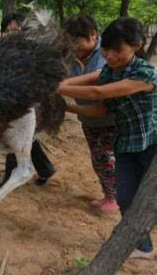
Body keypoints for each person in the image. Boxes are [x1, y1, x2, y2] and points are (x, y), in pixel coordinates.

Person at [58, 17, 157, 260]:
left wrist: (55, 89)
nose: (110, 56)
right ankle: (143, 248)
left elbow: (96, 92)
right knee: (125, 197)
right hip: (125, 145)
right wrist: (62, 100)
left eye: (117, 50)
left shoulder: (144, 74)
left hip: (151, 145)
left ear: (137, 44)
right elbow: (100, 107)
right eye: (106, 50)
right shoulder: (109, 71)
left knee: (150, 198)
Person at [63, 14, 118, 213]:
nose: (74, 48)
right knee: (98, 159)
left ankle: (116, 198)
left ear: (93, 35)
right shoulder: (72, 56)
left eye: (77, 43)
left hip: (111, 118)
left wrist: (63, 86)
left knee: (109, 159)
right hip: (89, 118)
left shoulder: (107, 51)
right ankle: (109, 195)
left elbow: (99, 79)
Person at [0, 12, 56, 187]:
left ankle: (10, 176)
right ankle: (45, 169)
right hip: (5, 99)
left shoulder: (29, 51)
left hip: (24, 100)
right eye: (7, 31)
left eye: (16, 31)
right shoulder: (0, 51)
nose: (10, 35)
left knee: (14, 135)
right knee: (27, 138)